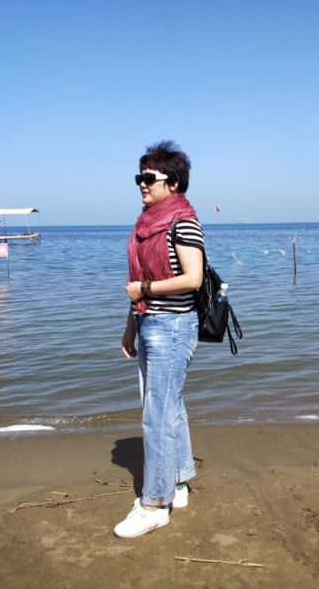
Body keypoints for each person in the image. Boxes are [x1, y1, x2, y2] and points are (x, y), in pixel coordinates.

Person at [115, 140, 204, 539]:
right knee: (171, 408)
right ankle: (179, 481)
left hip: (173, 326)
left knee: (157, 415)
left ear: (173, 182)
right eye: (139, 177)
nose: (141, 184)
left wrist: (145, 290)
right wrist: (131, 325)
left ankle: (154, 504)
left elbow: (193, 278)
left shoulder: (182, 221)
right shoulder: (145, 224)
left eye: (148, 177)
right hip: (149, 323)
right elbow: (138, 284)